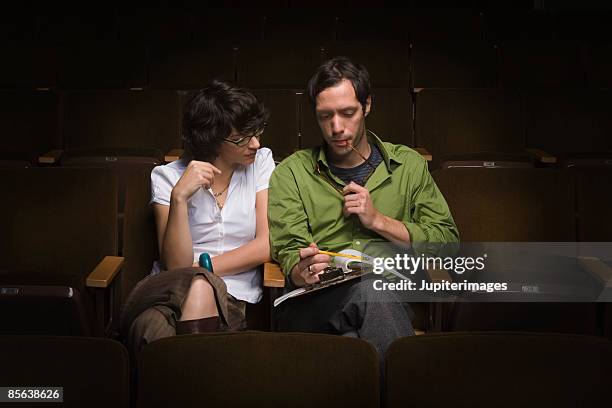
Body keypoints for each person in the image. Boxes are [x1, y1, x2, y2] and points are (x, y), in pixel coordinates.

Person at [268, 57, 459, 359]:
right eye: (325, 116)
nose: (336, 127)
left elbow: (447, 244)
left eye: (347, 113)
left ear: (367, 105)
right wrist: (299, 270)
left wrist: (378, 221)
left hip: (393, 299)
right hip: (315, 304)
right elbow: (291, 249)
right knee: (371, 294)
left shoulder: (408, 166)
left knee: (358, 329)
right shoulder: (291, 173)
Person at [121, 80, 274, 355]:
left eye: (257, 132)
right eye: (242, 138)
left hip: (232, 294)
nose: (255, 143)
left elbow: (265, 246)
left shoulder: (260, 162)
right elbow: (175, 266)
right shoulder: (167, 177)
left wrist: (202, 268)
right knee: (147, 326)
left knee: (199, 288)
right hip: (167, 294)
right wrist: (179, 197)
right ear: (211, 139)